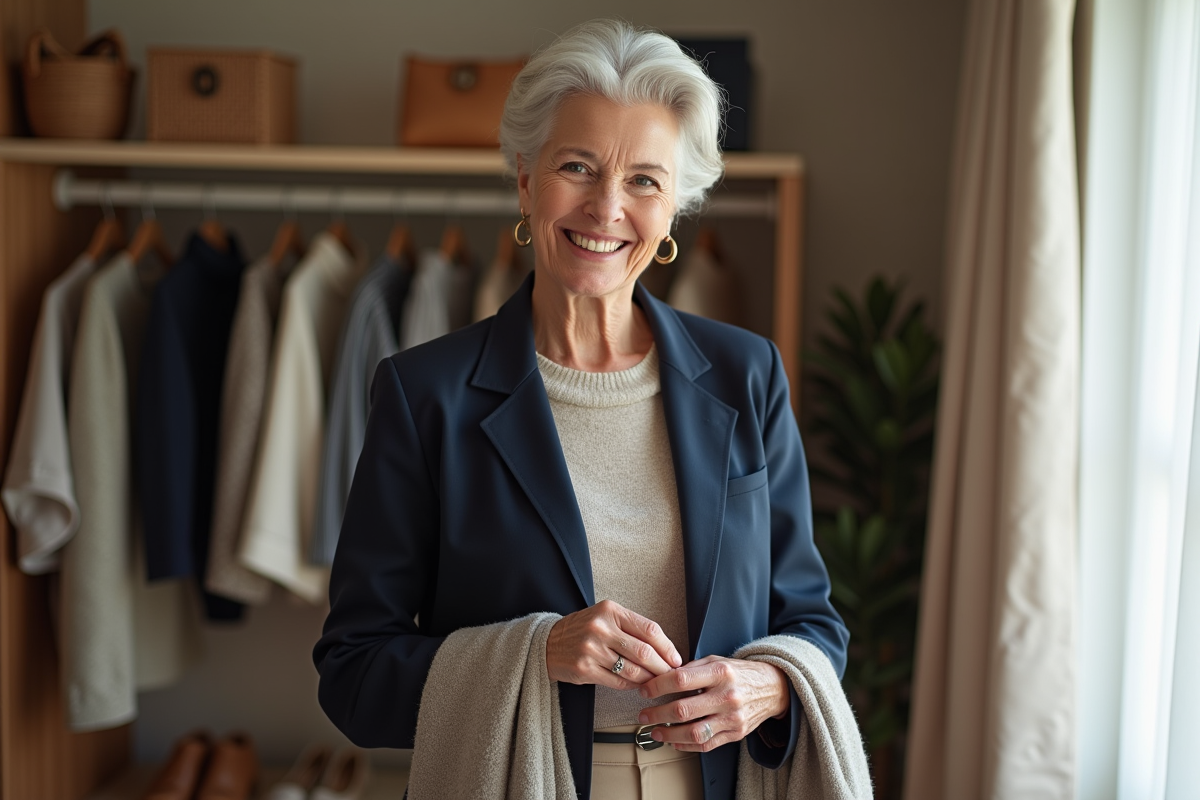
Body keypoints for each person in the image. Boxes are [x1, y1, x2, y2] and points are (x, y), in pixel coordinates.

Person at [314, 18, 852, 800]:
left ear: (674, 211)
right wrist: (535, 655)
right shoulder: (424, 392)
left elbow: (814, 625)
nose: (607, 207)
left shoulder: (746, 374)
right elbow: (354, 678)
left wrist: (769, 687)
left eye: (644, 180)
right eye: (578, 166)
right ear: (525, 178)